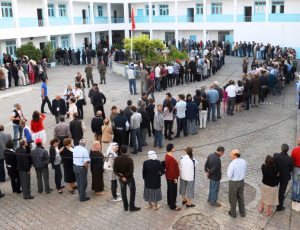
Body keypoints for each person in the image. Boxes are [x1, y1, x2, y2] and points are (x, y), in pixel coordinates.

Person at [114, 145, 140, 212]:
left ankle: (125, 206)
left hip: (121, 179)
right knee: (132, 191)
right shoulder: (129, 160)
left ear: (120, 151)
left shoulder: (116, 159)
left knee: (123, 192)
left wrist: (122, 177)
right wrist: (125, 176)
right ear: (126, 151)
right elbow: (131, 172)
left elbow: (115, 170)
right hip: (129, 178)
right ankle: (132, 206)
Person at [273, 143, 294, 211]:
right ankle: (279, 207)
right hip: (285, 177)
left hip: (276, 176)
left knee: (273, 188)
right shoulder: (290, 159)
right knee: (282, 192)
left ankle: (271, 201)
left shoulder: (276, 155)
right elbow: (291, 169)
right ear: (287, 150)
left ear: (281, 149)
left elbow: (273, 164)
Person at [227, 149, 247, 218]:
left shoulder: (232, 164)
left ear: (235, 155)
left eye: (231, 154)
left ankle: (233, 213)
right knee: (241, 197)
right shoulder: (244, 161)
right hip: (241, 182)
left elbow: (229, 175)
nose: (230, 155)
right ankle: (242, 213)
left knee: (233, 199)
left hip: (234, 183)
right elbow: (245, 171)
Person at [165, 143, 181, 211]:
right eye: (173, 147)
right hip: (172, 177)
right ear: (171, 149)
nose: (174, 148)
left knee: (169, 189)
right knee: (173, 191)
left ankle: (169, 202)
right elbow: (172, 170)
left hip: (168, 176)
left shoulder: (167, 155)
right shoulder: (171, 158)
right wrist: (175, 178)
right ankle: (173, 205)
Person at [291, 138, 300, 202]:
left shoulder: (295, 150)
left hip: (296, 168)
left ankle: (294, 197)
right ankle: (299, 198)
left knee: (295, 183)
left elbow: (292, 160)